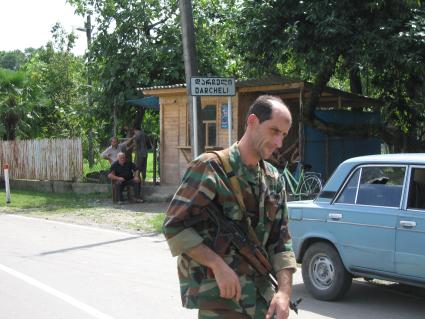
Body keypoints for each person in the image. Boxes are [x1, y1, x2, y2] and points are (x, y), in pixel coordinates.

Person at [162, 95, 297, 319]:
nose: (279, 143)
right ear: (252, 122)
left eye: (283, 135)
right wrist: (217, 264)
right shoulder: (210, 168)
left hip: (262, 302)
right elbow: (174, 227)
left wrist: (283, 292)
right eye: (274, 131)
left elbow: (281, 243)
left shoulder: (273, 179)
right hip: (221, 303)